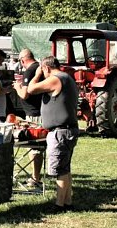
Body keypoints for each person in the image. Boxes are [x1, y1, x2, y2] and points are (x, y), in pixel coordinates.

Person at [26, 55, 79, 213]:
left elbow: (30, 89)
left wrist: (36, 75)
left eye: (43, 70)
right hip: (67, 129)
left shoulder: (56, 79)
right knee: (65, 168)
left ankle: (59, 205)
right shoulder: (67, 78)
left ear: (46, 68)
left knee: (60, 170)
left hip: (60, 132)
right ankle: (68, 202)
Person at [13, 48, 44, 188]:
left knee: (34, 147)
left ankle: (35, 177)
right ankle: (35, 176)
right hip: (39, 111)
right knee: (36, 147)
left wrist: (17, 87)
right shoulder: (39, 68)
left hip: (34, 114)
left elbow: (24, 94)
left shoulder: (30, 70)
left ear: (22, 60)